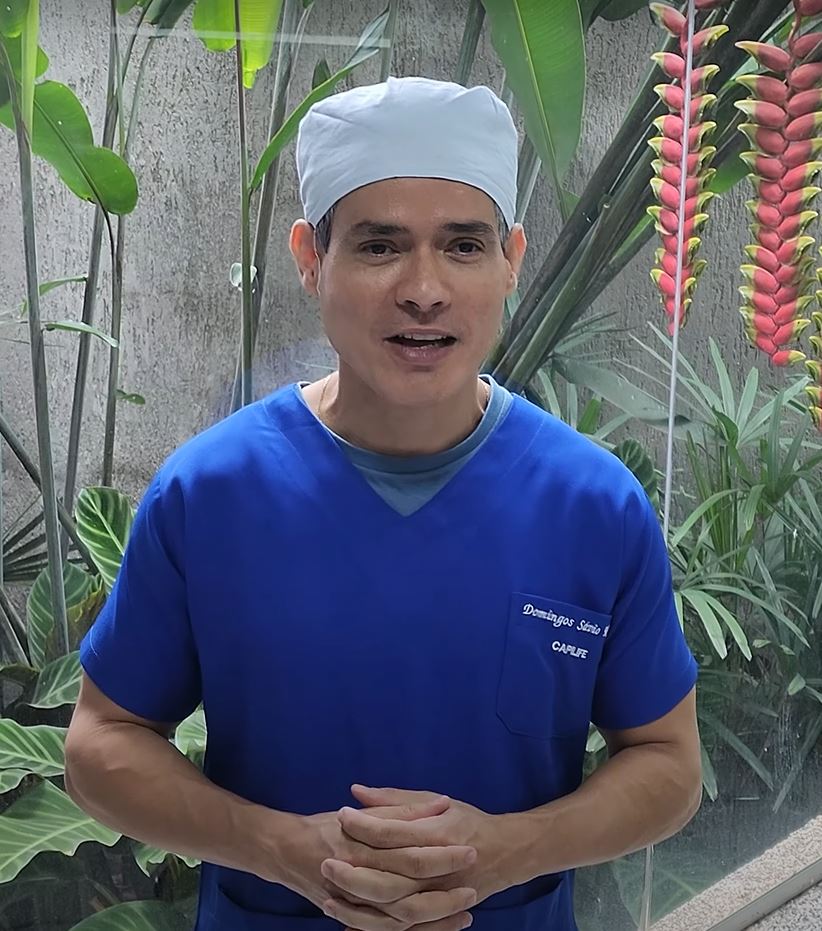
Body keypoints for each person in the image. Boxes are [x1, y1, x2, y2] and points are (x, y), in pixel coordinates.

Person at [65, 76, 702, 931]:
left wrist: (504, 851)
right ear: (309, 258)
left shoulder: (592, 505)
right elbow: (102, 742)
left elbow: (668, 763)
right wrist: (280, 848)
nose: (424, 289)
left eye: (464, 245)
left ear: (511, 260)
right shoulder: (211, 494)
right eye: (379, 246)